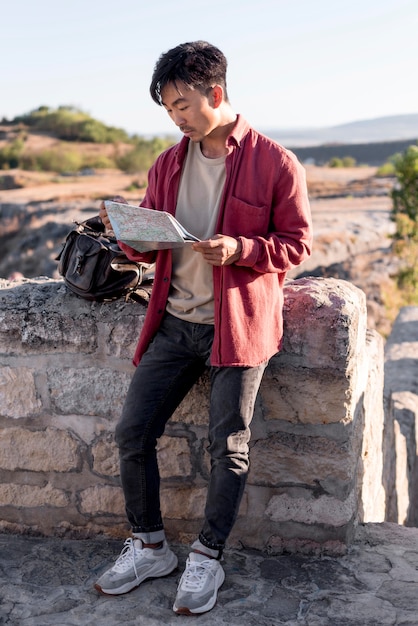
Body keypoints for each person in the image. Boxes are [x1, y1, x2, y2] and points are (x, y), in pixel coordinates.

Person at [95, 40, 313, 616]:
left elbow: (298, 243)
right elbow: (147, 249)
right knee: (132, 433)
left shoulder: (274, 161)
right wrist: (132, 236)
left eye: (183, 104)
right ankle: (148, 547)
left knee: (229, 449)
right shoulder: (167, 164)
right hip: (172, 323)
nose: (176, 117)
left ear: (215, 93)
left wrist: (240, 248)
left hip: (236, 328)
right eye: (168, 108)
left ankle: (207, 555)